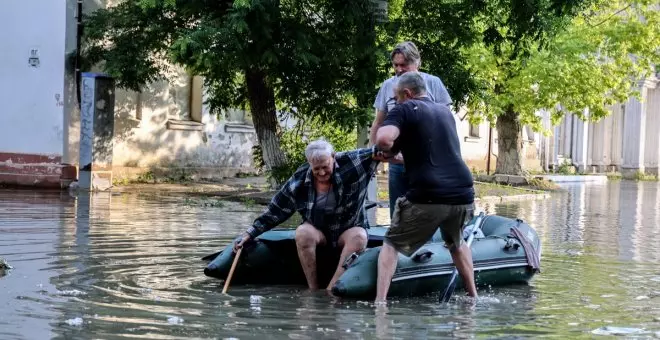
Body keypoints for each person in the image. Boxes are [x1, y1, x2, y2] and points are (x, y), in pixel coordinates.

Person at [373, 71, 477, 304]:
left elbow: (383, 139)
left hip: (429, 195)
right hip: (463, 194)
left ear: (407, 94)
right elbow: (427, 155)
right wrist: (394, 156)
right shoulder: (444, 112)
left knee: (391, 243)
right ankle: (473, 298)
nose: (396, 102)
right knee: (457, 243)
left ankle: (380, 304)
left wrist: (383, 145)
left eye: (397, 97)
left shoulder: (405, 108)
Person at [233, 139, 390, 291]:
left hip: (348, 229)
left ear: (333, 157)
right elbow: (276, 210)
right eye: (316, 169)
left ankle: (332, 289)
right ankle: (312, 290)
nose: (321, 173)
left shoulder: (352, 160)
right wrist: (249, 233)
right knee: (302, 232)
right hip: (318, 231)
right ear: (310, 164)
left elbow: (381, 150)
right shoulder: (299, 180)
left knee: (360, 236)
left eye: (325, 166)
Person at [369, 41, 453, 218]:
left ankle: (427, 244)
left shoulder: (433, 83)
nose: (399, 69)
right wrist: (372, 154)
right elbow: (378, 123)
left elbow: (445, 123)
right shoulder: (387, 86)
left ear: (417, 63)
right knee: (398, 214)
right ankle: (396, 243)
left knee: (426, 213)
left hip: (427, 164)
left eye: (404, 65)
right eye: (395, 65)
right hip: (397, 164)